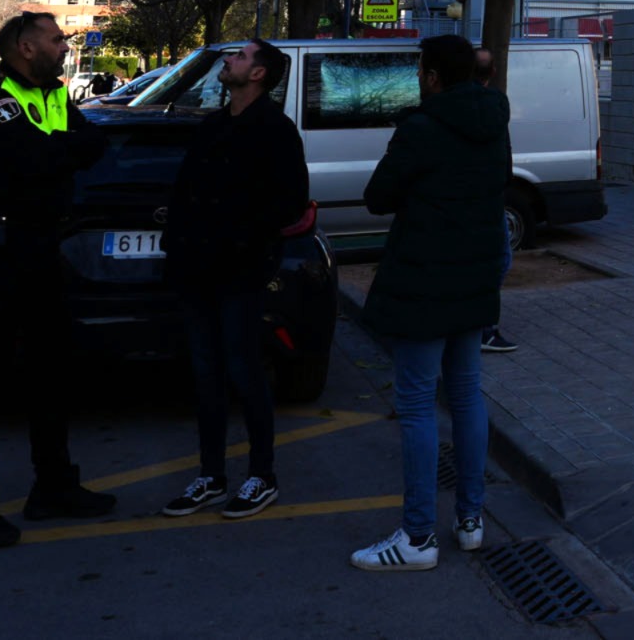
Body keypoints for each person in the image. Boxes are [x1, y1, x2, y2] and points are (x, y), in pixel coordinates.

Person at [0, 12, 117, 548]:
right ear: (26, 47)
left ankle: (54, 485)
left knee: (51, 371)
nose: (65, 46)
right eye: (56, 39)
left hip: (42, 249)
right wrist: (60, 154)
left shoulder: (55, 95)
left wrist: (56, 155)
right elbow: (34, 160)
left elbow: (93, 146)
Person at [349, 34, 510, 572]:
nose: (419, 78)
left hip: (423, 282)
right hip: (473, 280)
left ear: (434, 77)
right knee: (466, 396)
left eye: (421, 70)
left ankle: (417, 537)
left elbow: (378, 197)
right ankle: (470, 520)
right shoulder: (495, 122)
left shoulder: (420, 128)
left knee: (417, 404)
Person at [158, 39, 309, 522]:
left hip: (240, 272)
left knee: (244, 371)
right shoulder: (213, 126)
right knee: (206, 374)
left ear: (259, 74)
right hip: (196, 270)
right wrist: (177, 245)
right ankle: (211, 475)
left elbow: (291, 201)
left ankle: (262, 475)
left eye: (240, 56)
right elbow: (184, 192)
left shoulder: (275, 130)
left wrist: (243, 238)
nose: (228, 60)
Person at [477, 44, 519, 356]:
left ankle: (480, 326)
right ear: (492, 72)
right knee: (498, 260)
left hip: (481, 196)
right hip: (487, 197)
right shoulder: (494, 106)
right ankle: (483, 327)